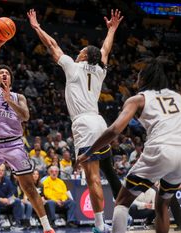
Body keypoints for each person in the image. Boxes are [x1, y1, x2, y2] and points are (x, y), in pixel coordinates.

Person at [27, 9, 124, 233]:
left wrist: (36, 27)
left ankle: (100, 226)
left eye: (80, 51)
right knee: (106, 172)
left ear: (84, 56)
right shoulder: (101, 70)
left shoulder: (72, 66)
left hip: (84, 125)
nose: (77, 52)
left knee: (93, 179)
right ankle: (118, 215)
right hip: (100, 123)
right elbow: (106, 49)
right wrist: (112, 29)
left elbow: (52, 45)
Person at [77, 57, 181, 233]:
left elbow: (114, 130)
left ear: (146, 78)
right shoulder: (178, 97)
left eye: (139, 76)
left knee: (122, 202)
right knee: (163, 205)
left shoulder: (138, 100)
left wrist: (88, 152)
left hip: (161, 149)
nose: (136, 80)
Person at [0, 35, 54, 233]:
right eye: (1, 73)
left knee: (29, 188)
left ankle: (47, 228)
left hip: (14, 145)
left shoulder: (18, 96)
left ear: (11, 80)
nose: (4, 74)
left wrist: (10, 100)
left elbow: (25, 116)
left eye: (7, 73)